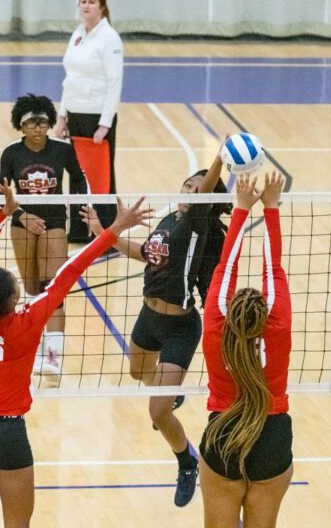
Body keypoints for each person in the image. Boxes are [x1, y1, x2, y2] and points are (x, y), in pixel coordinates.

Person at [0, 179, 151, 527]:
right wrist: (115, 229)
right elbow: (68, 271)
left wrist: (5, 213)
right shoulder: (28, 322)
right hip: (9, 435)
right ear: (14, 301)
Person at [81, 154, 231, 507]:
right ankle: (169, 392)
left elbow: (207, 187)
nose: (190, 190)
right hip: (148, 319)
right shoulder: (169, 218)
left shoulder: (197, 225)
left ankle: (186, 462)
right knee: (137, 372)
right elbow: (144, 253)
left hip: (180, 327)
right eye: (187, 184)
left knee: (157, 413)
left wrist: (220, 158)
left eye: (198, 188)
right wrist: (105, 235)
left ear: (206, 199)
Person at [199, 172, 293, 528]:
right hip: (272, 436)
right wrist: (271, 207)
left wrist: (241, 207)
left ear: (230, 307)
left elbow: (226, 266)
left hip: (225, 432)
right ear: (265, 312)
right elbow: (274, 267)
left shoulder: (215, 328)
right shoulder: (278, 325)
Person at [0, 93, 88, 379]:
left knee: (53, 289)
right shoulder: (11, 153)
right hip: (22, 221)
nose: (38, 128)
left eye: (43, 122)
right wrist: (23, 216)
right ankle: (34, 347)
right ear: (21, 126)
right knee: (32, 289)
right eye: (32, 123)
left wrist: (79, 217)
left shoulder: (62, 150)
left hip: (53, 221)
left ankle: (53, 357)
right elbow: (1, 195)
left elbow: (78, 180)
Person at [54, 0, 123, 244]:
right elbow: (69, 79)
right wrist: (62, 117)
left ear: (102, 7)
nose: (86, 6)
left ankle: (106, 233)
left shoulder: (110, 38)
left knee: (101, 177)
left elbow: (115, 83)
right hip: (75, 114)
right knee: (76, 173)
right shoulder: (78, 34)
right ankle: (80, 230)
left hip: (97, 118)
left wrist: (105, 124)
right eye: (83, 1)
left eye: (91, 2)